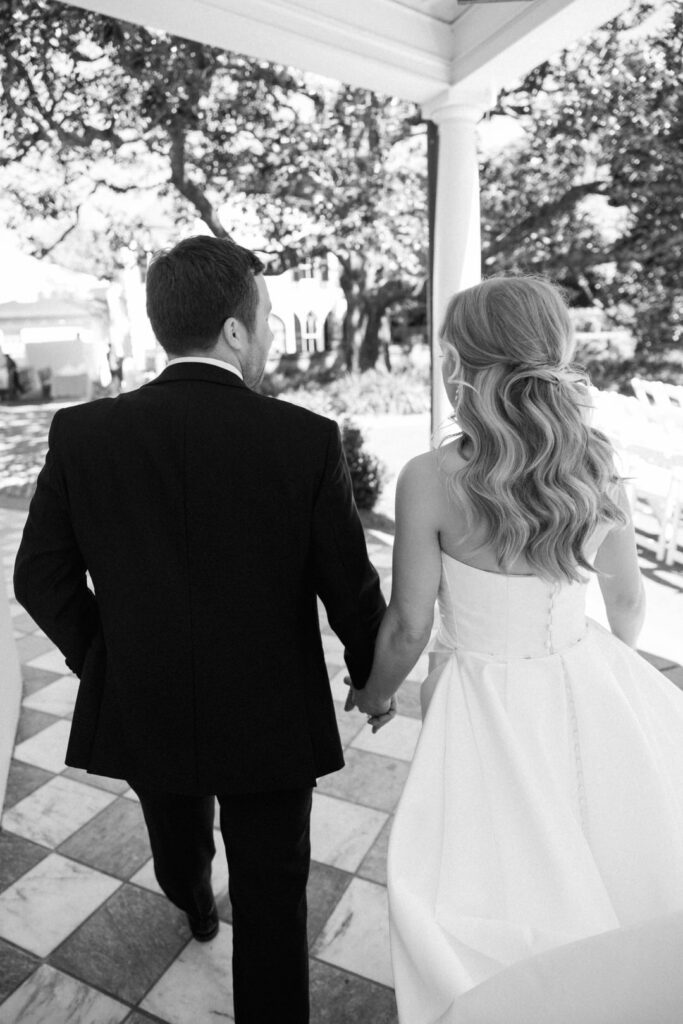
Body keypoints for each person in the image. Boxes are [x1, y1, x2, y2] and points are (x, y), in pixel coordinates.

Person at [13, 234, 388, 1024]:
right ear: (234, 331)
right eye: (269, 320)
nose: (272, 338)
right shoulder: (304, 439)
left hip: (146, 698)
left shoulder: (84, 434)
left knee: (175, 840)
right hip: (270, 711)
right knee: (274, 891)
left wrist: (110, 661)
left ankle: (192, 904)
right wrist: (370, 675)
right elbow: (347, 588)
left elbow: (38, 577)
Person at [346, 276, 683, 1023]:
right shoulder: (592, 464)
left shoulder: (431, 478)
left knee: (487, 865)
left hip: (477, 697)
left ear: (465, 365)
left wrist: (373, 694)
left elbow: (406, 625)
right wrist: (600, 667)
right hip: (579, 676)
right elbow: (627, 602)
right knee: (604, 843)